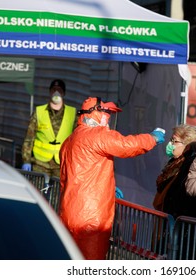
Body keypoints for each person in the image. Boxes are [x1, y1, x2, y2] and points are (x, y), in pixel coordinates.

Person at [58, 96, 165, 260]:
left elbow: (74, 177)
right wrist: (152, 138)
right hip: (92, 216)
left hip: (68, 212)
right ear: (96, 113)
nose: (108, 117)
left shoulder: (69, 141)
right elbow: (127, 145)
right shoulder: (97, 136)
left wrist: (108, 187)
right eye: (107, 112)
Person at [21, 79, 77, 178]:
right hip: (40, 163)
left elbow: (77, 141)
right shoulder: (39, 112)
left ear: (64, 93)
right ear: (49, 92)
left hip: (61, 164)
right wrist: (26, 160)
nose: (56, 93)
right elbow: (29, 138)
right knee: (38, 192)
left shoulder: (72, 114)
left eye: (59, 90)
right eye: (54, 89)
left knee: (57, 192)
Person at [153, 124, 196, 219]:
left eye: (174, 141)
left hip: (176, 220)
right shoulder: (174, 163)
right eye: (171, 140)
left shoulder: (190, 165)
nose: (170, 144)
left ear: (187, 146)